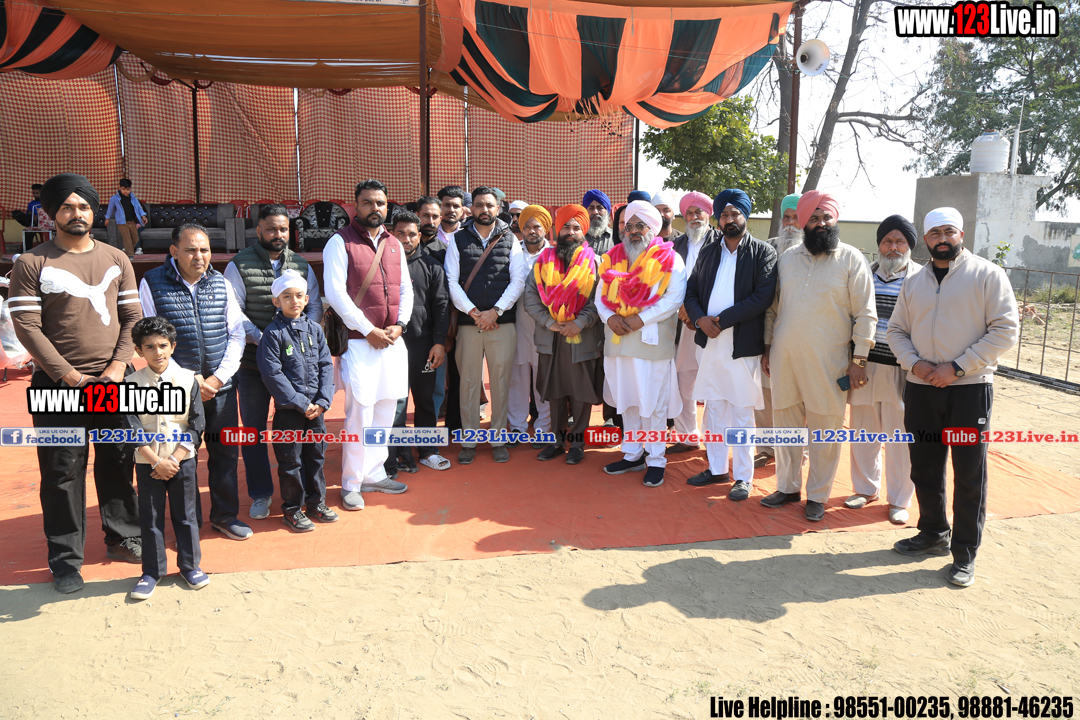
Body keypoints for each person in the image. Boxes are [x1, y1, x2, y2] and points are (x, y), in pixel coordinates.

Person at [9, 173, 143, 594]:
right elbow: (27, 326)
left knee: (118, 459)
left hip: (112, 382)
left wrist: (117, 367)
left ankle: (123, 536)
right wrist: (68, 375)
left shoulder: (117, 259)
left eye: (83, 206)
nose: (76, 213)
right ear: (52, 213)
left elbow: (133, 318)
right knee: (61, 471)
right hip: (56, 387)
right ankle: (66, 560)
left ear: (94, 211)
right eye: (67, 207)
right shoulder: (31, 263)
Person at [887, 207, 1019, 587]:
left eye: (949, 231)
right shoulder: (914, 282)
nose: (942, 239)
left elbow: (1005, 330)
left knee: (969, 472)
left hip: (969, 391)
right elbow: (896, 331)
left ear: (961, 234)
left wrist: (958, 367)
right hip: (922, 389)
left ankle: (964, 553)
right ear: (926, 239)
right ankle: (932, 532)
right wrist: (915, 364)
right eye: (935, 233)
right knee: (924, 466)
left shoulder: (987, 275)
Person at [762, 191, 877, 522]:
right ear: (803, 222)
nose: (821, 223)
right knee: (785, 425)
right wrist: (767, 348)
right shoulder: (787, 259)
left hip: (830, 364)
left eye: (827, 217)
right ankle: (787, 487)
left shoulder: (851, 259)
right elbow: (773, 309)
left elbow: (866, 314)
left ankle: (817, 495)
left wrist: (859, 360)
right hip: (784, 360)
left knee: (825, 429)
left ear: (835, 219)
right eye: (813, 218)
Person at [140, 223, 251, 540]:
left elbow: (237, 334)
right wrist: (189, 379)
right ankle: (186, 528)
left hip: (221, 389)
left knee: (225, 454)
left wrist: (217, 378)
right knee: (181, 458)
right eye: (190, 250)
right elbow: (151, 340)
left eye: (204, 249)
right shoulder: (152, 283)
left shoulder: (220, 283)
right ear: (174, 251)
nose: (199, 256)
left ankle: (225, 516)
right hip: (176, 391)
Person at [224, 204, 321, 522]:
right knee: (253, 430)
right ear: (259, 230)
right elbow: (234, 311)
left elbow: (314, 307)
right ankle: (260, 493)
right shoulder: (239, 264)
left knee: (297, 432)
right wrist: (265, 339)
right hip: (253, 365)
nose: (277, 234)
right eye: (271, 229)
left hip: (296, 370)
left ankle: (302, 495)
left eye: (283, 229)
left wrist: (302, 339)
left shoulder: (302, 264)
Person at [324, 179, 414, 511]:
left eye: (380, 203)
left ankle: (374, 474)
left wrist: (400, 325)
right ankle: (351, 483)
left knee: (386, 411)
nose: (375, 208)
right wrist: (368, 330)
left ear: (387, 206)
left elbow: (406, 289)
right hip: (360, 343)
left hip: (392, 342)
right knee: (359, 415)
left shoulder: (394, 243)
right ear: (356, 205)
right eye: (368, 202)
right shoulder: (340, 242)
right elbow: (335, 293)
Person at [683, 190, 776, 500]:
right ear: (718, 219)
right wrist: (700, 319)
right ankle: (717, 468)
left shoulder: (762, 252)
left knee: (740, 411)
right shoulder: (709, 252)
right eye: (724, 214)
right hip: (708, 343)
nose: (729, 219)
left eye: (735, 213)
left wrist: (720, 321)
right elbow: (691, 292)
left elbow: (762, 297)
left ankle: (743, 477)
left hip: (741, 344)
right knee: (713, 407)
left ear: (745, 216)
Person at [596, 200, 687, 487]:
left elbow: (674, 298)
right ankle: (633, 453)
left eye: (640, 225)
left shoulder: (670, 259)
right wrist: (610, 318)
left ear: (653, 228)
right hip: (618, 339)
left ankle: (656, 458)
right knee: (628, 400)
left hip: (651, 342)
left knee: (653, 403)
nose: (634, 231)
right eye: (629, 225)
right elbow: (600, 296)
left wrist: (641, 319)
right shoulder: (611, 257)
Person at [124, 316, 207, 600]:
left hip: (182, 460)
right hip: (148, 462)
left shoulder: (188, 379)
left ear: (172, 346)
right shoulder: (130, 384)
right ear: (139, 350)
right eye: (149, 347)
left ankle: (190, 567)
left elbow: (196, 424)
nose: (157, 352)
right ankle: (151, 572)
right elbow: (131, 427)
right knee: (151, 517)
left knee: (186, 516)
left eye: (162, 345)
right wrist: (156, 461)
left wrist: (176, 457)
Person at [846, 215, 921, 525]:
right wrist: (855, 361)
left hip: (902, 369)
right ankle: (865, 489)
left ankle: (899, 500)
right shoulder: (863, 274)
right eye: (887, 241)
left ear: (909, 246)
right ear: (879, 245)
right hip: (865, 365)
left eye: (900, 241)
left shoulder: (921, 278)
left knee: (900, 437)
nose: (893, 247)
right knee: (863, 431)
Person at [445, 186, 526, 465]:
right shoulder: (458, 239)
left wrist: (496, 311)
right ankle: (469, 440)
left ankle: (498, 439)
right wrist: (473, 312)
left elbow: (518, 280)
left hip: (501, 324)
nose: (484, 209)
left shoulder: (511, 239)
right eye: (479, 204)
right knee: (468, 383)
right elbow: (451, 280)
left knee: (501, 383)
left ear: (497, 208)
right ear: (472, 208)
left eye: (489, 205)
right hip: (469, 324)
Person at [256, 270, 339, 532]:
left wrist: (323, 400)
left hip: (316, 411)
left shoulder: (315, 329)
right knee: (290, 462)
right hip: (289, 411)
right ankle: (292, 509)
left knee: (316, 457)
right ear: (276, 301)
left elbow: (326, 365)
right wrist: (300, 402)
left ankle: (316, 503)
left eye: (299, 295)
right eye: (287, 296)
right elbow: (272, 374)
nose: (294, 301)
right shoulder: (272, 334)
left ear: (307, 299)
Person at [525, 205, 604, 464]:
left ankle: (577, 444)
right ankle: (557, 442)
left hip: (582, 337)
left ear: (584, 231)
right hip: (552, 337)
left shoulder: (595, 262)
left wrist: (580, 323)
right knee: (555, 392)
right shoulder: (542, 261)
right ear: (557, 230)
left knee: (581, 394)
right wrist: (550, 322)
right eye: (566, 227)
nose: (570, 232)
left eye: (576, 227)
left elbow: (599, 300)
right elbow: (530, 297)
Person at [384, 211, 452, 473]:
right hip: (391, 346)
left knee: (425, 399)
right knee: (396, 402)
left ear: (420, 235)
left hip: (423, 345)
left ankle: (428, 450)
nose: (406, 238)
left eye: (412, 234)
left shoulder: (432, 266)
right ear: (392, 234)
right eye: (400, 233)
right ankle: (398, 455)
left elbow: (441, 306)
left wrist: (439, 342)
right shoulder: (382, 265)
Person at [667, 190, 720, 454]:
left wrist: (698, 314)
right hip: (681, 322)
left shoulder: (722, 242)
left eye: (699, 211)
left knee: (713, 382)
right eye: (689, 212)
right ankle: (687, 436)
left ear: (708, 214)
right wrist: (684, 311)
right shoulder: (675, 245)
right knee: (682, 379)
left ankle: (713, 441)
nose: (694, 216)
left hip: (712, 323)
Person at [755, 193, 804, 466]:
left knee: (798, 396)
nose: (791, 223)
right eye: (787, 217)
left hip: (801, 336)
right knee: (765, 391)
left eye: (797, 217)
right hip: (768, 332)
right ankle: (766, 448)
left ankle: (798, 450)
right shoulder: (768, 249)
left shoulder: (814, 251)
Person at [508, 205, 553, 444]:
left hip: (546, 326)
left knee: (543, 377)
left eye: (537, 226)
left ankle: (544, 427)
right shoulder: (512, 251)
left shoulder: (555, 255)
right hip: (516, 323)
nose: (532, 231)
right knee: (517, 376)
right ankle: (517, 426)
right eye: (527, 226)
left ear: (545, 229)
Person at [104, 179, 149, 258]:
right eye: (123, 189)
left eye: (127, 189)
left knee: (135, 239)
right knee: (127, 238)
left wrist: (143, 216)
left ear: (130, 189)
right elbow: (110, 209)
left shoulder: (133, 198)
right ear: (119, 188)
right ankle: (130, 255)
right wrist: (107, 218)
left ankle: (127, 249)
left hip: (132, 222)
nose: (125, 191)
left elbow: (139, 208)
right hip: (122, 222)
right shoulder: (115, 198)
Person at [582, 189, 614, 254]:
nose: (595, 212)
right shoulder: (578, 236)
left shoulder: (615, 237)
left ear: (607, 212)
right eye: (591, 208)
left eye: (600, 208)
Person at [416, 195, 446, 260]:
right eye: (426, 216)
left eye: (435, 217)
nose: (430, 222)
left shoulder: (445, 251)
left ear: (440, 219)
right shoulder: (407, 246)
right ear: (417, 216)